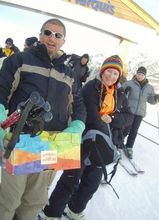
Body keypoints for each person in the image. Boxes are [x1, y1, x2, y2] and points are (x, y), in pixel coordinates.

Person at [0, 18, 86, 220]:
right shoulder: (19, 60)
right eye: (47, 32)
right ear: (40, 35)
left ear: (63, 41)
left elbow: (79, 104)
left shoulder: (69, 74)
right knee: (9, 201)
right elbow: (1, 90)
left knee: (34, 202)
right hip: (20, 143)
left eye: (58, 35)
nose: (51, 38)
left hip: (53, 147)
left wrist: (77, 125)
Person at [42, 55, 133, 220]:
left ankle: (74, 210)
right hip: (84, 143)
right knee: (71, 180)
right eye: (109, 71)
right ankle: (51, 212)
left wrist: (113, 119)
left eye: (115, 74)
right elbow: (91, 116)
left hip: (103, 145)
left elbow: (129, 117)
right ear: (102, 71)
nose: (111, 76)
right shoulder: (91, 88)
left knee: (92, 182)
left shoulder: (118, 94)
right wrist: (108, 133)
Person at [122, 66, 159, 159]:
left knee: (134, 131)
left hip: (140, 112)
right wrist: (125, 91)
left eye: (142, 75)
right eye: (139, 74)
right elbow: (120, 93)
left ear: (145, 76)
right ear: (136, 74)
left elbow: (151, 100)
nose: (140, 76)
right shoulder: (129, 83)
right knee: (125, 129)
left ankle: (129, 147)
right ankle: (118, 144)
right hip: (129, 111)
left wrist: (155, 98)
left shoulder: (149, 88)